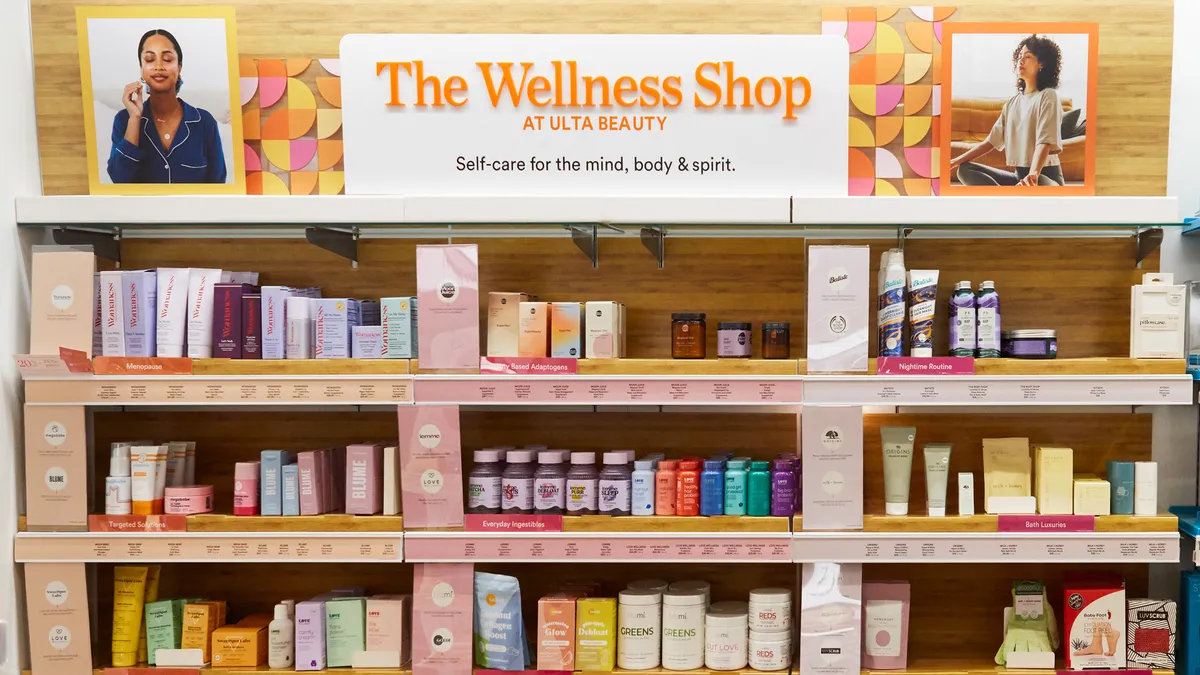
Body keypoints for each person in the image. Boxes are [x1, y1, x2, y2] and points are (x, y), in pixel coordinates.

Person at [107, 28, 227, 184]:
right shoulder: (125, 120)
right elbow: (119, 179)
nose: (158, 66)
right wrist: (135, 119)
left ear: (179, 67)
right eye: (150, 59)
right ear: (141, 68)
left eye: (167, 59)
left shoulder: (204, 122)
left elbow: (218, 186)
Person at [950, 34, 1065, 187]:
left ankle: (1013, 197)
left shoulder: (1048, 95)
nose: (1021, 61)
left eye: (1028, 56)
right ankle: (1008, 199)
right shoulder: (1012, 103)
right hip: (1019, 176)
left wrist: (1033, 174)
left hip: (1044, 176)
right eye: (1019, 57)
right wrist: (956, 161)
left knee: (1042, 187)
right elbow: (990, 142)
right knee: (964, 170)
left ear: (1041, 63)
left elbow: (1044, 141)